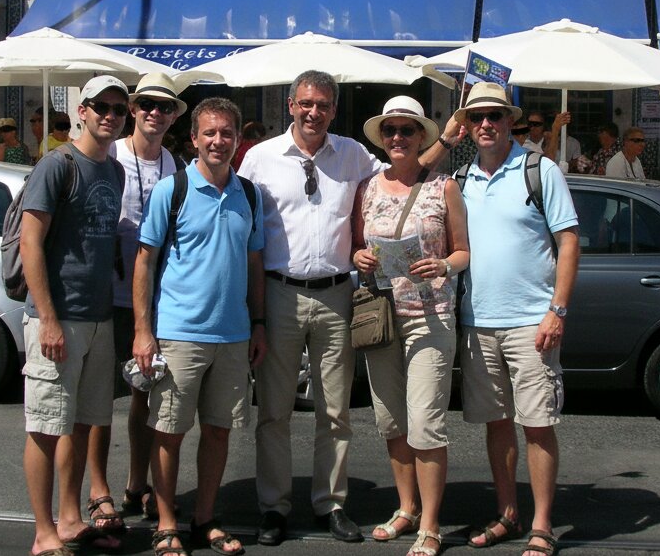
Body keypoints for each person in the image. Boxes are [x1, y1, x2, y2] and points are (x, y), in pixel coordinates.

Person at [238, 70, 458, 546]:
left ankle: (330, 503)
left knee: (334, 411)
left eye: (322, 104)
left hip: (340, 295)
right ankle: (274, 506)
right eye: (304, 103)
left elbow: (406, 174)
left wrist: (449, 134)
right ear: (291, 105)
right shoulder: (260, 159)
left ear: (333, 110)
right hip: (280, 293)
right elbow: (240, 223)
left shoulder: (355, 156)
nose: (313, 111)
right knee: (274, 410)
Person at [133, 97, 266, 556]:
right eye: (209, 132)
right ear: (193, 138)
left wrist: (259, 323)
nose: (218, 141)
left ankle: (204, 517)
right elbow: (145, 262)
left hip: (232, 335)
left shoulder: (249, 194)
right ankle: (167, 521)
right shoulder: (173, 191)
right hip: (179, 333)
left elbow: (254, 262)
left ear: (237, 139)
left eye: (227, 133)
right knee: (169, 430)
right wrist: (142, 331)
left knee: (218, 431)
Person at [453, 82, 579, 556]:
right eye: (477, 118)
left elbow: (569, 241)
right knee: (497, 423)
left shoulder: (539, 170)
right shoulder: (460, 178)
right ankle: (508, 513)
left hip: (532, 323)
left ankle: (542, 525)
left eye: (495, 116)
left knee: (538, 423)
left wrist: (557, 310)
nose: (486, 124)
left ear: (510, 122)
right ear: (466, 127)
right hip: (478, 322)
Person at [351, 97, 470, 556]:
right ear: (382, 138)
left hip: (431, 318)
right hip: (381, 315)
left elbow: (463, 251)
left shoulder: (445, 188)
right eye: (390, 131)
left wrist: (442, 265)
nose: (397, 137)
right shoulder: (368, 188)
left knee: (425, 424)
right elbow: (356, 248)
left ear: (422, 136)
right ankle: (406, 508)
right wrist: (357, 257)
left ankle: (432, 525)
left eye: (406, 130)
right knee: (391, 421)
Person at [19, 75, 128, 556]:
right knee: (45, 427)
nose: (109, 115)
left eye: (118, 109)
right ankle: (43, 533)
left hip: (99, 316)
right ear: (81, 110)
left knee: (81, 423)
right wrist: (47, 318)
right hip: (58, 317)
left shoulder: (115, 171)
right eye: (99, 106)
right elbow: (30, 243)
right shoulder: (56, 165)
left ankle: (68, 517)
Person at [100, 72, 185, 527]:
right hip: (108, 296)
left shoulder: (172, 162)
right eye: (147, 104)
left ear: (173, 117)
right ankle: (98, 493)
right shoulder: (111, 153)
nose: (155, 112)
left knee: (145, 397)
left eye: (165, 106)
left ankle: (137, 484)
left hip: (155, 300)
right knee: (97, 400)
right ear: (133, 109)